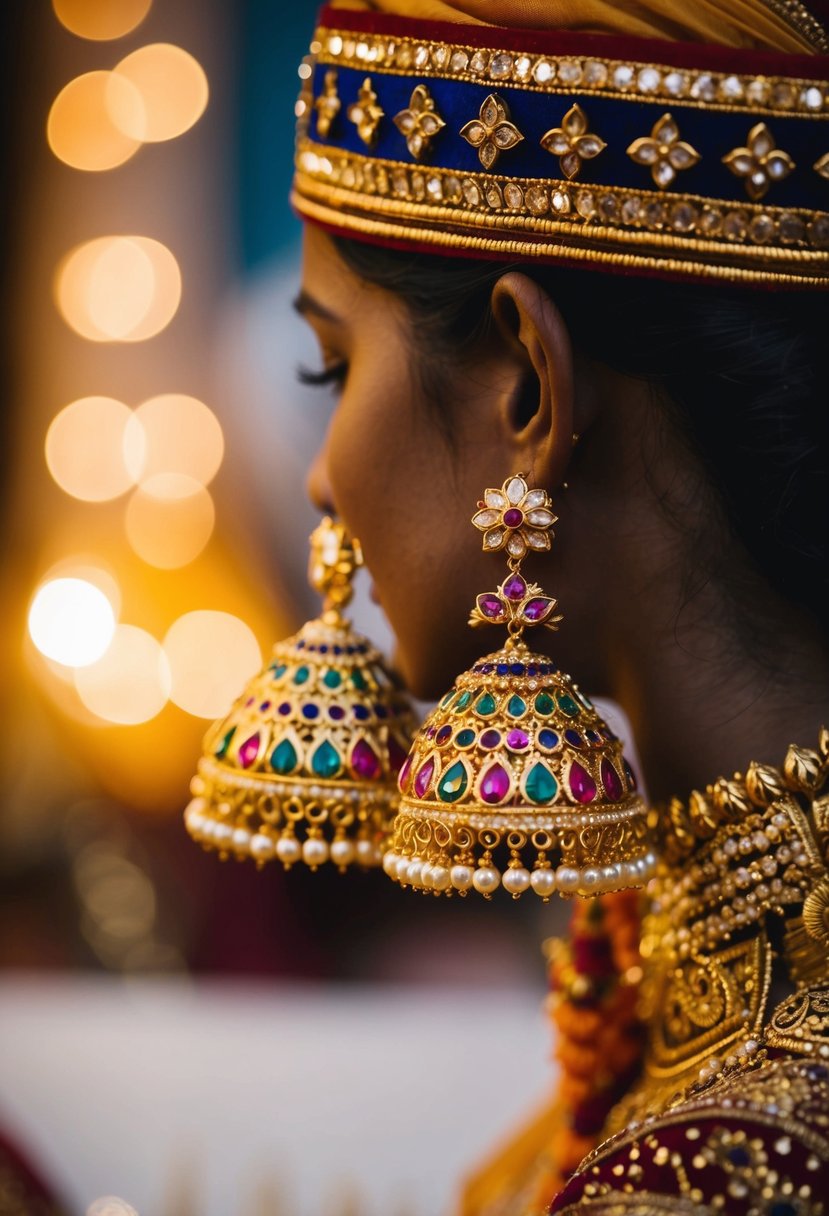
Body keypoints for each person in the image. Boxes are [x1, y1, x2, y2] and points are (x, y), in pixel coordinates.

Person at [290, 0, 829, 1211]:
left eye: (332, 365)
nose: (321, 475)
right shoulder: (680, 1005)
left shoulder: (723, 1174)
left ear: (529, 393)